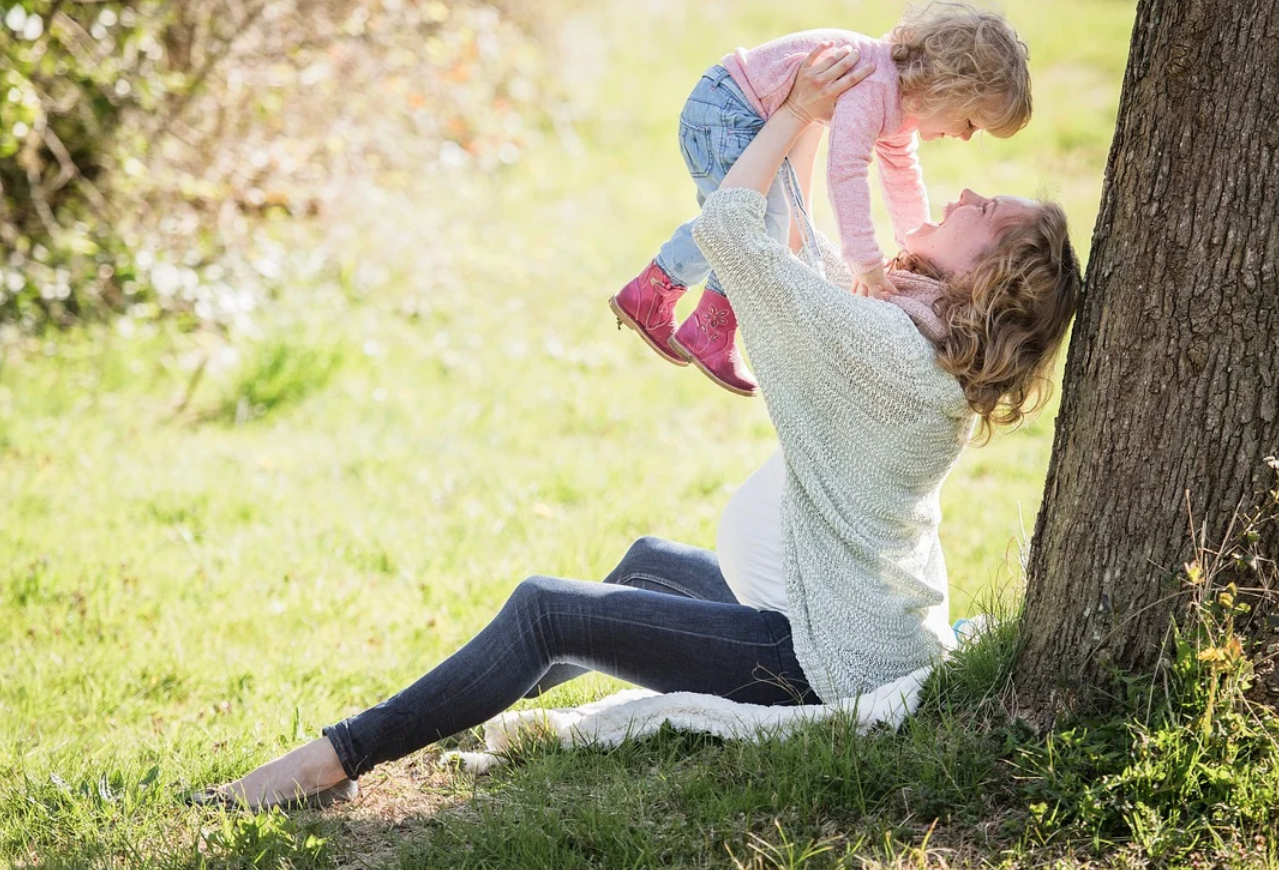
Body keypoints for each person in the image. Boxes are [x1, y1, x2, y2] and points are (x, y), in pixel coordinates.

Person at [195, 44, 1079, 812]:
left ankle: (331, 761)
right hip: (844, 619)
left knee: (548, 609)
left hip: (819, 659)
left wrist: (801, 113)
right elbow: (804, 257)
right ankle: (436, 715)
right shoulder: (920, 345)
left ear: (990, 278)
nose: (966, 190)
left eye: (989, 211)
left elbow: (734, 230)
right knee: (646, 564)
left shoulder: (886, 350)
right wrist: (812, 124)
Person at [609, 2, 1032, 396]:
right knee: (751, 223)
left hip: (735, 109)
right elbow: (845, 171)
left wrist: (912, 244)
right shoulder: (877, 86)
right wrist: (865, 261)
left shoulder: (900, 104)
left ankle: (652, 293)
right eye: (971, 122)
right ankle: (708, 326)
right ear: (947, 88)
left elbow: (902, 176)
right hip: (727, 110)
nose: (963, 136)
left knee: (751, 220)